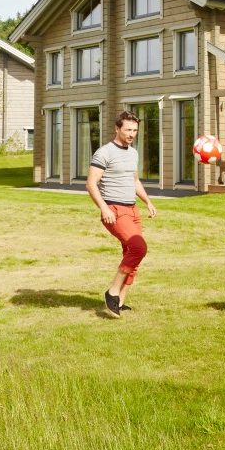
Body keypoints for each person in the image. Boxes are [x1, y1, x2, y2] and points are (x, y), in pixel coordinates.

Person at [86, 110, 157, 318]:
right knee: (138, 247)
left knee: (132, 255)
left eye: (135, 130)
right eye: (128, 130)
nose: (132, 134)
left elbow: (134, 181)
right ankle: (112, 292)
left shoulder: (133, 153)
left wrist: (148, 202)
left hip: (132, 209)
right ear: (117, 129)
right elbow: (91, 184)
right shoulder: (104, 153)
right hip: (114, 209)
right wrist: (104, 208)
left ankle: (119, 302)